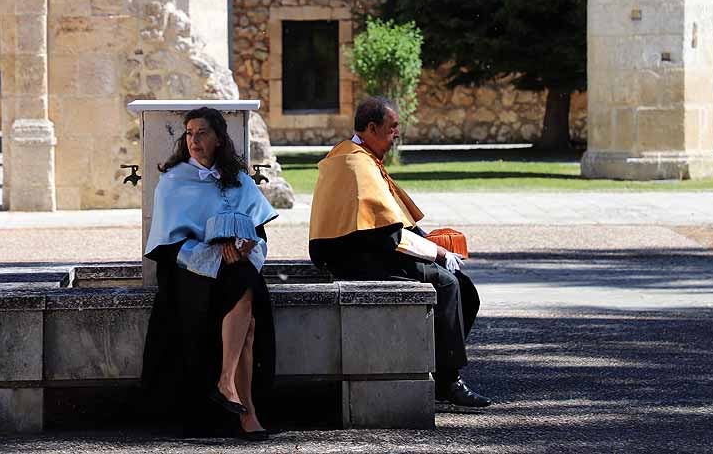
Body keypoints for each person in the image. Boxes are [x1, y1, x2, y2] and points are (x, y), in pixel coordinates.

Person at [309, 96, 493, 408]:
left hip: (370, 250)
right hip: (356, 260)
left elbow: (389, 220)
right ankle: (449, 381)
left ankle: (436, 366)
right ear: (371, 128)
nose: (397, 134)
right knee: (447, 284)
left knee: (463, 288)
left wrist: (432, 243)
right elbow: (388, 235)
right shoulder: (355, 162)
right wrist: (437, 253)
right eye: (392, 127)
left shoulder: (354, 154)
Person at [141, 107, 278, 441]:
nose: (194, 140)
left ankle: (227, 383)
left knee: (244, 281)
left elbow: (259, 232)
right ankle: (247, 412)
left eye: (202, 133)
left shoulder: (239, 180)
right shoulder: (173, 181)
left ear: (219, 138)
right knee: (248, 319)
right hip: (190, 271)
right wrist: (214, 254)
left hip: (236, 266)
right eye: (189, 133)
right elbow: (166, 245)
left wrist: (245, 246)